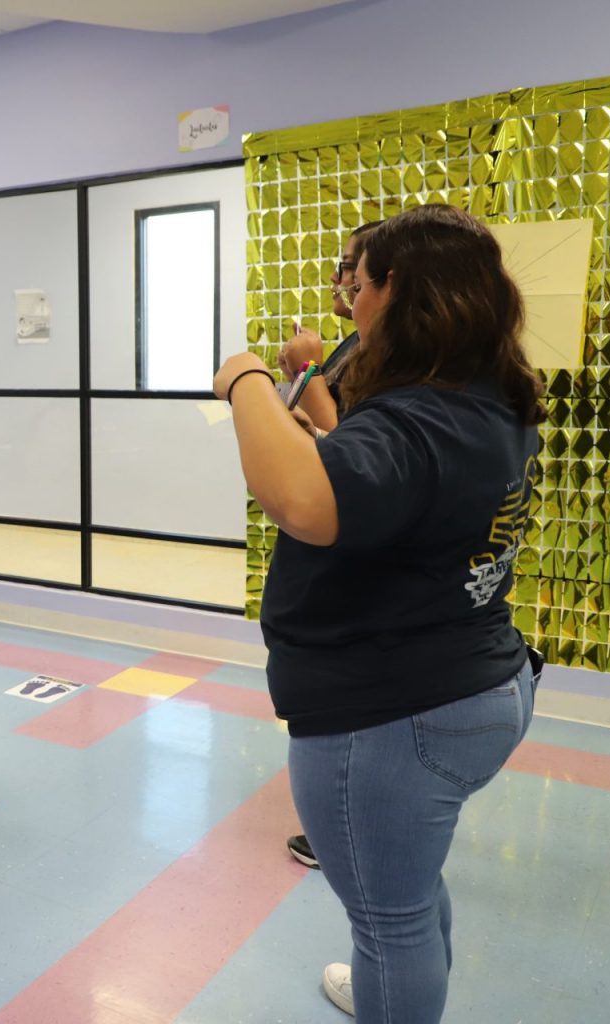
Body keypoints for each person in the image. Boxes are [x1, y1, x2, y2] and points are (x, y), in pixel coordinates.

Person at [211, 204, 543, 1022]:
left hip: (394, 713)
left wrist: (245, 380)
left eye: (358, 284)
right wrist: (324, 420)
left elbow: (301, 499)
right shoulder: (484, 398)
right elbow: (394, 480)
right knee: (409, 892)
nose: (349, 301)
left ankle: (393, 997)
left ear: (396, 289)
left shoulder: (418, 417)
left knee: (390, 923)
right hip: (477, 680)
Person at [277, 220, 379, 871]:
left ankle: (348, 827)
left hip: (360, 562)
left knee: (360, 705)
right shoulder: (359, 341)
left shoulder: (394, 360)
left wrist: (308, 371)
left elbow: (353, 455)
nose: (341, 280)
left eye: (353, 269)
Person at [276, 221, 382, 440]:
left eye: (346, 267)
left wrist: (308, 369)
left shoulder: (385, 350)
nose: (334, 277)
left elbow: (342, 444)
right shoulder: (357, 341)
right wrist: (296, 374)